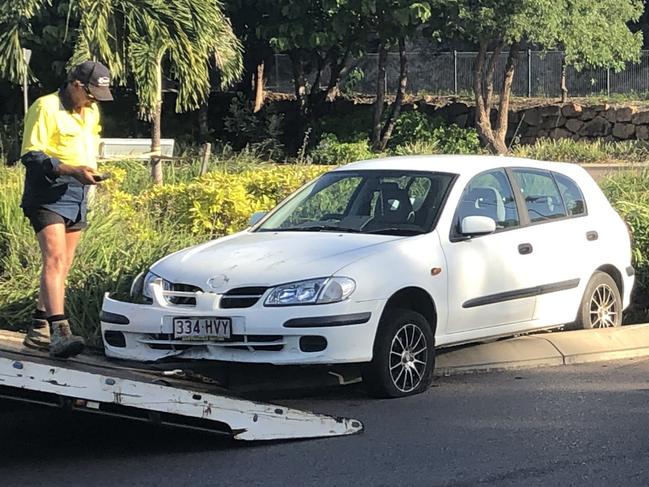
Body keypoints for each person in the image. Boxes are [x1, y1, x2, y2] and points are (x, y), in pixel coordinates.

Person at [20, 60, 113, 358]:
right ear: (75, 84)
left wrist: (89, 174)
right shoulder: (45, 107)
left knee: (64, 263)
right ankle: (60, 331)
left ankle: (38, 326)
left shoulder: (91, 110)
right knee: (55, 259)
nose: (93, 101)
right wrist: (70, 169)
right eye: (90, 94)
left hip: (78, 190)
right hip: (47, 190)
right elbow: (31, 156)